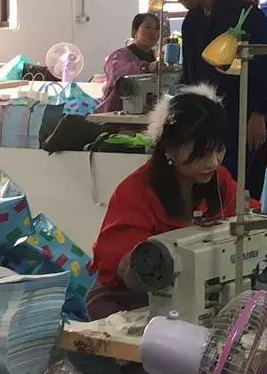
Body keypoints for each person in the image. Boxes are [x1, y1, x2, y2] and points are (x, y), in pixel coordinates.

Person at [87, 86, 238, 319]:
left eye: (219, 150)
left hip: (194, 296)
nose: (214, 162)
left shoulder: (219, 181)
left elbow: (250, 222)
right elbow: (125, 267)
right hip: (126, 300)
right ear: (169, 148)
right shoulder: (135, 192)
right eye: (202, 154)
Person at [170, 0, 267, 197]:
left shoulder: (243, 11)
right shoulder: (192, 20)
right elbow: (190, 73)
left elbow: (265, 65)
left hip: (246, 115)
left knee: (245, 186)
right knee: (211, 188)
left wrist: (259, 113)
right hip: (208, 117)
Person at [94, 12, 169, 114]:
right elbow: (119, 75)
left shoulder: (152, 58)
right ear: (134, 31)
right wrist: (146, 68)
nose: (153, 32)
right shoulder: (119, 56)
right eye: (147, 27)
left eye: (157, 28)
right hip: (115, 115)